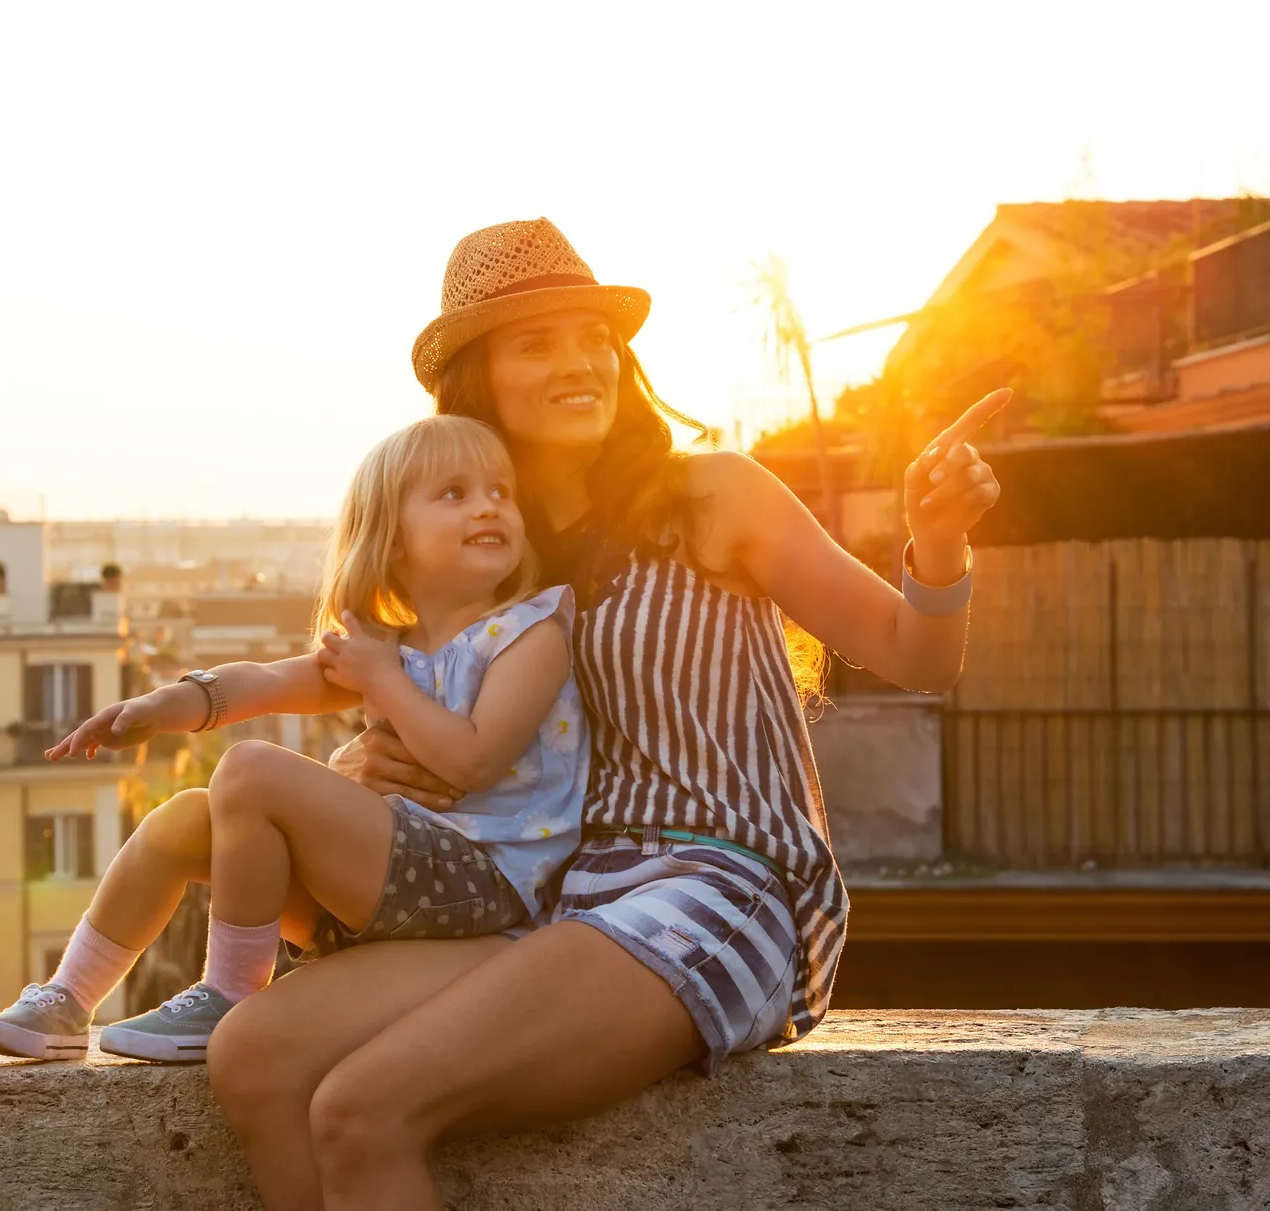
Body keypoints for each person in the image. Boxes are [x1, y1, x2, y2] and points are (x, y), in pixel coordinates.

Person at [205, 218, 1009, 1210]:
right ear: (476, 381)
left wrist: (936, 544)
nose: (579, 359)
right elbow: (426, 707)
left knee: (362, 1110)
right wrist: (365, 772)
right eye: (535, 341)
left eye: (592, 334)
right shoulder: (493, 547)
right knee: (252, 1054)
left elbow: (915, 652)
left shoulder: (709, 496)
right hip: (551, 896)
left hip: (718, 883)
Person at [0, 414, 587, 1063]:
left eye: (501, 490)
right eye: (455, 492)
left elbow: (477, 758)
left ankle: (231, 995)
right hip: (392, 884)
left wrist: (383, 680)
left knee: (251, 771)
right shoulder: (391, 649)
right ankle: (67, 998)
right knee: (182, 819)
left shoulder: (529, 630)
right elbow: (267, 681)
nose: (489, 504)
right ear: (393, 538)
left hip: (484, 882)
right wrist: (162, 704)